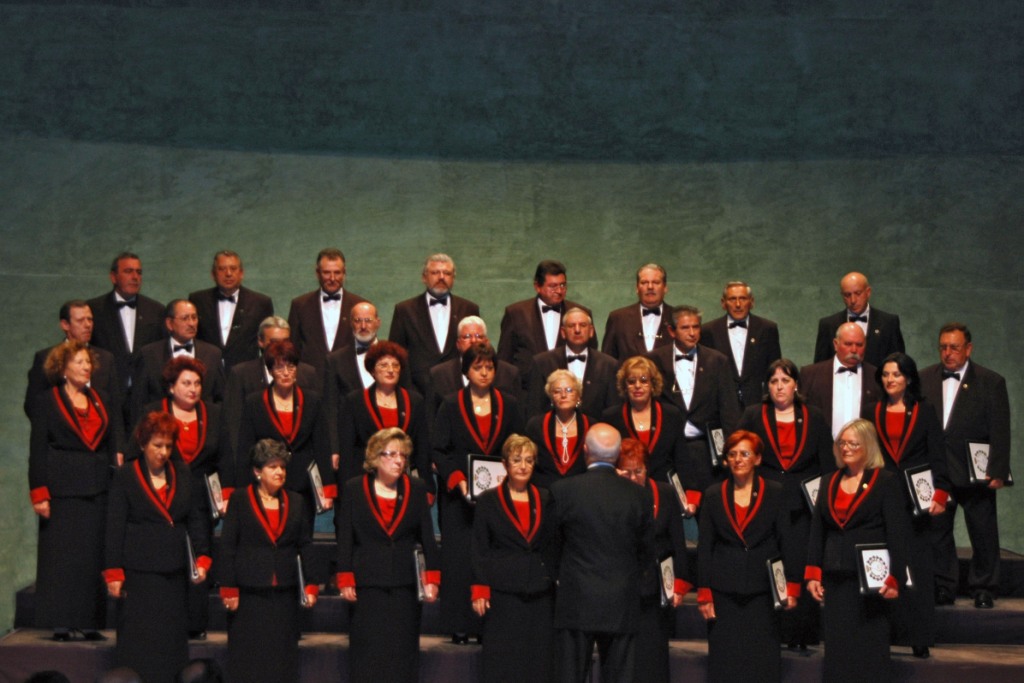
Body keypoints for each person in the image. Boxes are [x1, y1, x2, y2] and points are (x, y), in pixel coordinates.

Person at [104, 412, 210, 683]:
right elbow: (115, 526)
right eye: (157, 445)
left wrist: (202, 557)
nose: (163, 452)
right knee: (140, 638)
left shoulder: (182, 472)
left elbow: (195, 518)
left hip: (173, 571)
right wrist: (113, 571)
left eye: (168, 446)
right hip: (139, 572)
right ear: (142, 444)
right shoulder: (126, 475)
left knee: (170, 637)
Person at [805, 419, 912, 683]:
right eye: (842, 442)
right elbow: (818, 530)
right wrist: (813, 573)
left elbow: (898, 534)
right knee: (838, 646)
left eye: (853, 443)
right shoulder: (829, 480)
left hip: (871, 580)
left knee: (869, 646)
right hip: (836, 576)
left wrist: (896, 577)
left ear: (868, 446)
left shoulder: (885, 481)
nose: (846, 448)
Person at [738, 358, 834, 648]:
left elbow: (827, 464)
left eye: (785, 380)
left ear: (796, 385)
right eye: (774, 381)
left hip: (803, 508)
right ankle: (766, 631)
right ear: (767, 387)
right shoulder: (753, 414)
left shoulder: (813, 416)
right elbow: (740, 453)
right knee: (766, 563)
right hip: (764, 502)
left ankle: (800, 634)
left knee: (798, 566)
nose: (780, 387)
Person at [29, 341, 121, 641]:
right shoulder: (47, 400)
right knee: (62, 556)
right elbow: (38, 449)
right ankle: (61, 623)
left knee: (92, 556)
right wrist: (39, 492)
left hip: (96, 486)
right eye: (79, 362)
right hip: (61, 489)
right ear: (63, 368)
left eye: (88, 362)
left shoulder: (101, 398)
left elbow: (111, 441)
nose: (86, 367)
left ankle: (89, 622)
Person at [432, 343, 522, 643]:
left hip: (498, 497)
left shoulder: (509, 404)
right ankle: (459, 623)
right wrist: (459, 480)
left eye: (489, 367)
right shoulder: (450, 404)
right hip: (459, 498)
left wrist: (508, 478)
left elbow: (518, 446)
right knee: (459, 559)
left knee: (491, 557)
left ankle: (488, 624)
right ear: (466, 371)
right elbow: (440, 449)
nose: (484, 372)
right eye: (477, 367)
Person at [548, 423, 651, 683]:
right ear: (617, 455)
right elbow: (646, 551)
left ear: (584, 450)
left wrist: (563, 576)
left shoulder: (562, 491)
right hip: (621, 600)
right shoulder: (638, 495)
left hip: (576, 598)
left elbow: (550, 547)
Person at [335, 428, 440, 682]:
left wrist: (432, 578)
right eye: (391, 454)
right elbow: (346, 537)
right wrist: (345, 577)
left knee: (402, 651)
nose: (398, 461)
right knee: (368, 652)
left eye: (402, 455)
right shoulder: (354, 488)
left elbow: (428, 537)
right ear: (375, 457)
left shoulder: (416, 488)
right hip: (367, 584)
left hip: (404, 585)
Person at [132, 356, 225, 639]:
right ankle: (163, 620)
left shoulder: (213, 413)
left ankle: (195, 623)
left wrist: (225, 493)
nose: (193, 389)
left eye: (197, 383)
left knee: (199, 556)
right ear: (171, 387)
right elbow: (137, 453)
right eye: (186, 383)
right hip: (163, 496)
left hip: (200, 498)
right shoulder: (153, 412)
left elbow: (225, 455)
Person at [920, 322, 1011, 609]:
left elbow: (1000, 429)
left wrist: (998, 471)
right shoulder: (924, 378)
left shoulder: (990, 381)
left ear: (968, 349)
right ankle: (943, 587)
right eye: (943, 347)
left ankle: (984, 588)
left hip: (976, 472)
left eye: (954, 347)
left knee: (983, 531)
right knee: (938, 533)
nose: (948, 353)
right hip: (937, 472)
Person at [697, 430, 800, 683]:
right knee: (725, 658)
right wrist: (704, 592)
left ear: (757, 459)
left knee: (761, 659)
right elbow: (705, 546)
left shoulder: (775, 491)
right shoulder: (713, 494)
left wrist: (792, 586)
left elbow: (787, 541)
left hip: (763, 590)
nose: (738, 459)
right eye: (732, 454)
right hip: (723, 590)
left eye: (745, 454)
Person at [218, 439, 319, 683]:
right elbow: (228, 545)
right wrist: (228, 587)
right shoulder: (240, 500)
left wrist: (311, 584)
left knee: (281, 657)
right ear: (257, 471)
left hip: (284, 592)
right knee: (249, 657)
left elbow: (305, 545)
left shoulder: (296, 501)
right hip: (249, 593)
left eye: (282, 467)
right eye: (272, 467)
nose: (279, 472)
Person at [870, 352, 949, 658]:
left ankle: (919, 636)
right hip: (882, 498)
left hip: (918, 500)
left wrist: (941, 492)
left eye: (897, 374)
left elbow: (937, 453)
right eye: (886, 374)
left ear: (909, 378)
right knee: (886, 564)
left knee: (918, 566)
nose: (890, 379)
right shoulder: (871, 410)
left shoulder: (924, 411)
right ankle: (885, 634)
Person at [470, 434, 559, 682]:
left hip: (539, 591)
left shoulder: (545, 498)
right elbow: (480, 547)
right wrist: (480, 589)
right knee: (504, 658)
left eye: (529, 460)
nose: (523, 466)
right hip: (503, 591)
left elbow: (553, 544)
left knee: (538, 659)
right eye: (517, 460)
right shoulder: (488, 500)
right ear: (505, 464)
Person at [648, 306, 742, 510]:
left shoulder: (717, 361)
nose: (692, 333)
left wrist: (731, 450)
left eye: (696, 327)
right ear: (672, 331)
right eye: (685, 328)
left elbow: (729, 410)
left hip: (705, 451)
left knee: (710, 507)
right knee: (667, 507)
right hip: (668, 451)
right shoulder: (654, 360)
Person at [615, 438, 691, 683]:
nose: (633, 477)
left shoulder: (665, 492)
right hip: (620, 589)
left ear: (647, 469)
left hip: (656, 588)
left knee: (653, 654)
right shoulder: (610, 494)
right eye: (626, 471)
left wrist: (679, 584)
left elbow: (677, 541)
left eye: (638, 471)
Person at [233, 340, 334, 523]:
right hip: (266, 486)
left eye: (291, 367)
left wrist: (328, 488)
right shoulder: (254, 402)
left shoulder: (312, 401)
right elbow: (245, 449)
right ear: (270, 371)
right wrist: (242, 490)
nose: (286, 373)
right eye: (279, 368)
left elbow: (322, 445)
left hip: (303, 485)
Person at [336, 341, 430, 496]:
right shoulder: (355, 401)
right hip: (364, 482)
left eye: (395, 365)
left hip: (403, 481)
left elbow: (422, 448)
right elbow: (347, 451)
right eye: (384, 365)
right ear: (372, 370)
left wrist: (428, 486)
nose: (390, 370)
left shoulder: (415, 401)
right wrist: (346, 490)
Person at [221, 316, 321, 462]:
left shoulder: (307, 373)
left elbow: (317, 426)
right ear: (260, 342)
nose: (280, 346)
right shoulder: (241, 374)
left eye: (285, 341)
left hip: (301, 463)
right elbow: (234, 423)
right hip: (260, 462)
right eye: (274, 342)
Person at [324, 301, 411, 460]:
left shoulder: (395, 356)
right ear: (351, 323)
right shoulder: (335, 360)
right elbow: (331, 407)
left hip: (394, 447)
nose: (363, 326)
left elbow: (406, 397)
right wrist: (334, 449)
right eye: (358, 321)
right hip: (352, 445)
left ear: (378, 322)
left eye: (368, 320)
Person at [389, 253, 481, 395]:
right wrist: (409, 393)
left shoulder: (469, 308)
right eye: (435, 273)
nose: (441, 277)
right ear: (424, 277)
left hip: (459, 392)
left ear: (453, 278)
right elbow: (395, 354)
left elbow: (476, 353)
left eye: (447, 273)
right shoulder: (404, 310)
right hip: (417, 393)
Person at [497, 259, 597, 390]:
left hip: (568, 392)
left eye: (563, 285)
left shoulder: (580, 314)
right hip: (527, 391)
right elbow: (504, 359)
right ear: (537, 286)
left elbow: (592, 353)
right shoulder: (515, 313)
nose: (559, 291)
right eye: (553, 286)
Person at [131, 299, 225, 426]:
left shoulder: (213, 354)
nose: (191, 323)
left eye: (194, 318)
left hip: (203, 428)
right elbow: (138, 401)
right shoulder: (149, 354)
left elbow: (221, 398)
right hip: (160, 429)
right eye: (185, 318)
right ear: (169, 323)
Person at [87, 252, 165, 405]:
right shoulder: (94, 310)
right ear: (113, 277)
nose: (135, 277)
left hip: (145, 398)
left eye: (139, 272)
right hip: (105, 395)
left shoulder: (156, 310)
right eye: (128, 271)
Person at [601, 357, 687, 493]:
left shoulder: (671, 414)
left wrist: (690, 494)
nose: (637, 386)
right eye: (631, 381)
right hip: (624, 489)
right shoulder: (611, 417)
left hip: (664, 490)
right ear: (625, 386)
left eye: (643, 380)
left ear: (653, 385)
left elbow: (682, 458)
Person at [24, 299, 120, 420]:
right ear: (65, 325)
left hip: (99, 430)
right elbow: (33, 405)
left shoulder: (106, 358)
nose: (88, 325)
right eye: (80, 320)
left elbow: (115, 408)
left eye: (90, 319)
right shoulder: (46, 358)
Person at [525, 308, 619, 420]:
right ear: (563, 332)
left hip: (596, 428)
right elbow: (535, 408)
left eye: (583, 325)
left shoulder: (609, 365)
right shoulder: (542, 362)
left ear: (591, 331)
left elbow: (612, 410)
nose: (577, 330)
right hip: (553, 428)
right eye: (571, 326)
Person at [700, 281, 782, 409]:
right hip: (721, 405)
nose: (738, 304)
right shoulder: (708, 331)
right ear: (723, 303)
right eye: (732, 299)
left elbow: (775, 369)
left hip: (758, 404)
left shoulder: (767, 329)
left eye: (743, 299)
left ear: (751, 302)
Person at [189, 250, 275, 371]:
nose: (228, 274)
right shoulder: (198, 300)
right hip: (207, 372)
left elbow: (267, 346)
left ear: (241, 273)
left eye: (233, 268)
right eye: (222, 269)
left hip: (246, 374)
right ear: (213, 274)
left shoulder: (261, 303)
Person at [286, 247, 367, 371]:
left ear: (344, 273)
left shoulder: (360, 305)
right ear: (317, 273)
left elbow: (366, 348)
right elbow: (292, 348)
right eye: (327, 273)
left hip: (348, 377)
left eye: (337, 272)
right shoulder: (299, 306)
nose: (332, 278)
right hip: (311, 378)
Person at [425, 316, 521, 420]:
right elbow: (431, 418)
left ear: (487, 341)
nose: (473, 340)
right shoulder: (439, 374)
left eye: (479, 336)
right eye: (467, 336)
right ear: (458, 344)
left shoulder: (509, 373)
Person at [800, 322, 882, 438]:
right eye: (848, 344)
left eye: (859, 345)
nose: (854, 350)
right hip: (822, 446)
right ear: (835, 344)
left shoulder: (877, 376)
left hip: (864, 446)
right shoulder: (810, 374)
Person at [812, 271, 905, 367]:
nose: (853, 300)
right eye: (847, 295)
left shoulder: (889, 322)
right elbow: (820, 367)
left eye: (858, 293)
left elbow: (899, 364)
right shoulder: (828, 325)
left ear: (868, 292)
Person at [525, 370, 593, 488]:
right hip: (545, 491)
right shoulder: (535, 426)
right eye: (557, 391)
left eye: (569, 390)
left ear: (578, 395)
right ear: (551, 397)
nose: (563, 395)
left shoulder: (592, 426)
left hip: (581, 491)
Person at [602, 263, 675, 361]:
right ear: (637, 288)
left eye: (656, 282)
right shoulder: (618, 318)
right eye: (644, 282)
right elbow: (607, 361)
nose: (650, 287)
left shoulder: (677, 317)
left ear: (665, 288)